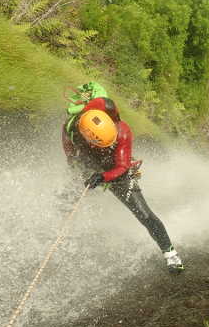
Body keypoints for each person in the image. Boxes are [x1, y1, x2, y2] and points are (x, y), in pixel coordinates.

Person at [61, 91, 184, 273]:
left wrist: (103, 177)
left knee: (144, 214)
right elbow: (70, 154)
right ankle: (62, 236)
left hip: (116, 169)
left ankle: (171, 255)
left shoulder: (122, 133)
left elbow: (123, 166)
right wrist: (79, 171)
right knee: (66, 199)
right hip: (86, 163)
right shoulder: (72, 128)